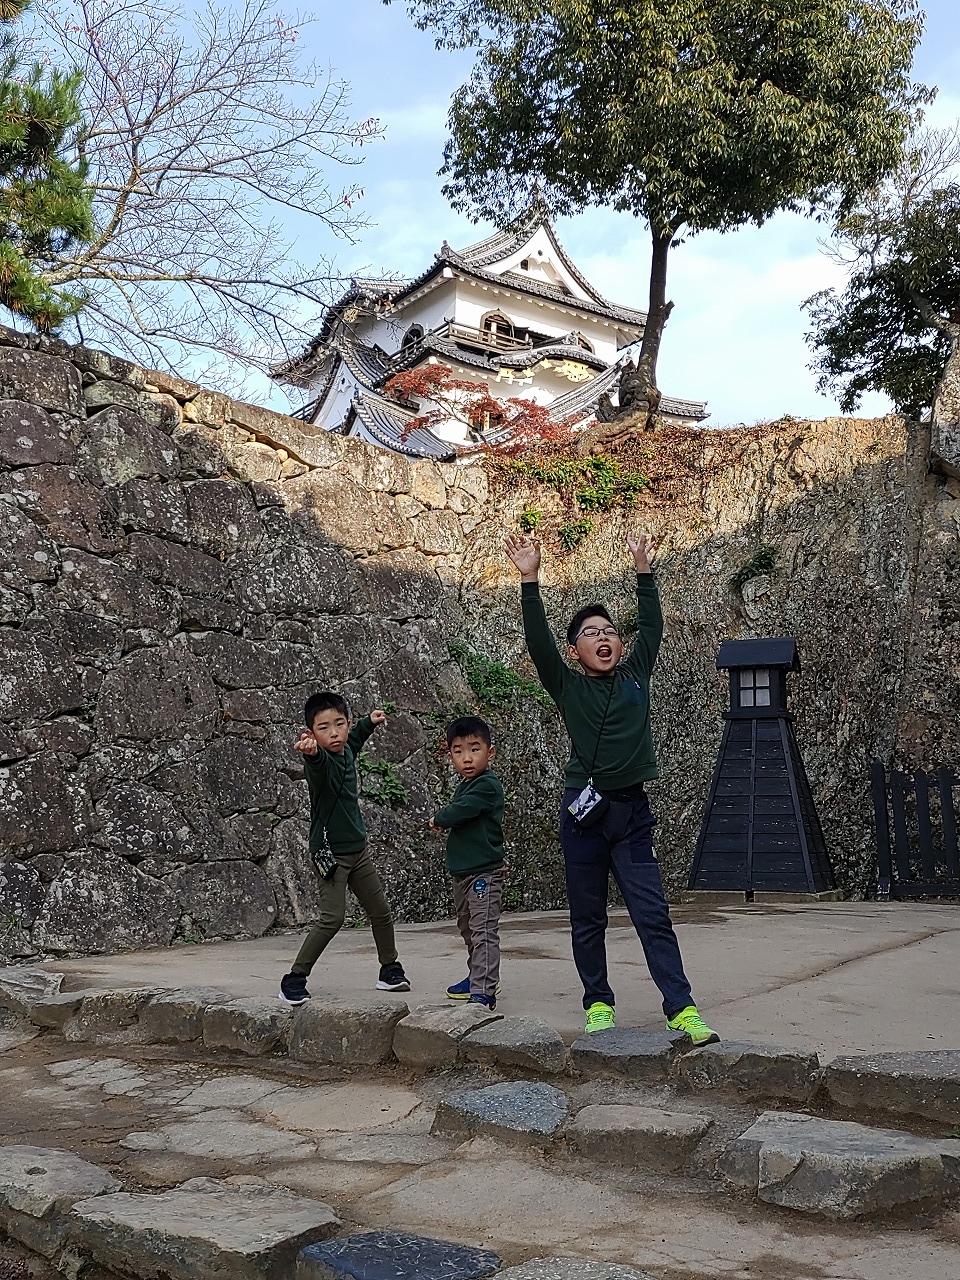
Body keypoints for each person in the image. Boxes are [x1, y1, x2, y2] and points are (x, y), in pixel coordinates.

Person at [504, 531, 719, 1045]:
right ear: (575, 652)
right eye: (589, 633)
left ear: (620, 645)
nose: (602, 638)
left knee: (652, 915)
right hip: (584, 818)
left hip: (632, 814)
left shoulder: (636, 673)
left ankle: (681, 1008)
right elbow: (538, 644)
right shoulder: (568, 684)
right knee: (588, 917)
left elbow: (652, 625)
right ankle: (598, 1003)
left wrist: (644, 571)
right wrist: (530, 580)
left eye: (609, 631)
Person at [278, 690, 410, 1004]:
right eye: (324, 728)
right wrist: (310, 753)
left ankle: (390, 970)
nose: (334, 732)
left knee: (380, 911)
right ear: (311, 734)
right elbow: (317, 762)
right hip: (330, 853)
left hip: (358, 850)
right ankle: (293, 979)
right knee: (332, 917)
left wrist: (370, 722)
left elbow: (354, 741)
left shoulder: (346, 748)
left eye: (340, 724)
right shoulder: (320, 761)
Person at [429, 715, 505, 1010]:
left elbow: (462, 810)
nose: (467, 758)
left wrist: (439, 817)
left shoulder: (487, 785)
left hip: (484, 874)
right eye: (458, 751)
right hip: (463, 874)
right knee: (468, 928)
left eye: (475, 749)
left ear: (490, 752)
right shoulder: (467, 784)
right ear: (450, 756)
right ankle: (477, 976)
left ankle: (484, 991)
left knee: (483, 929)